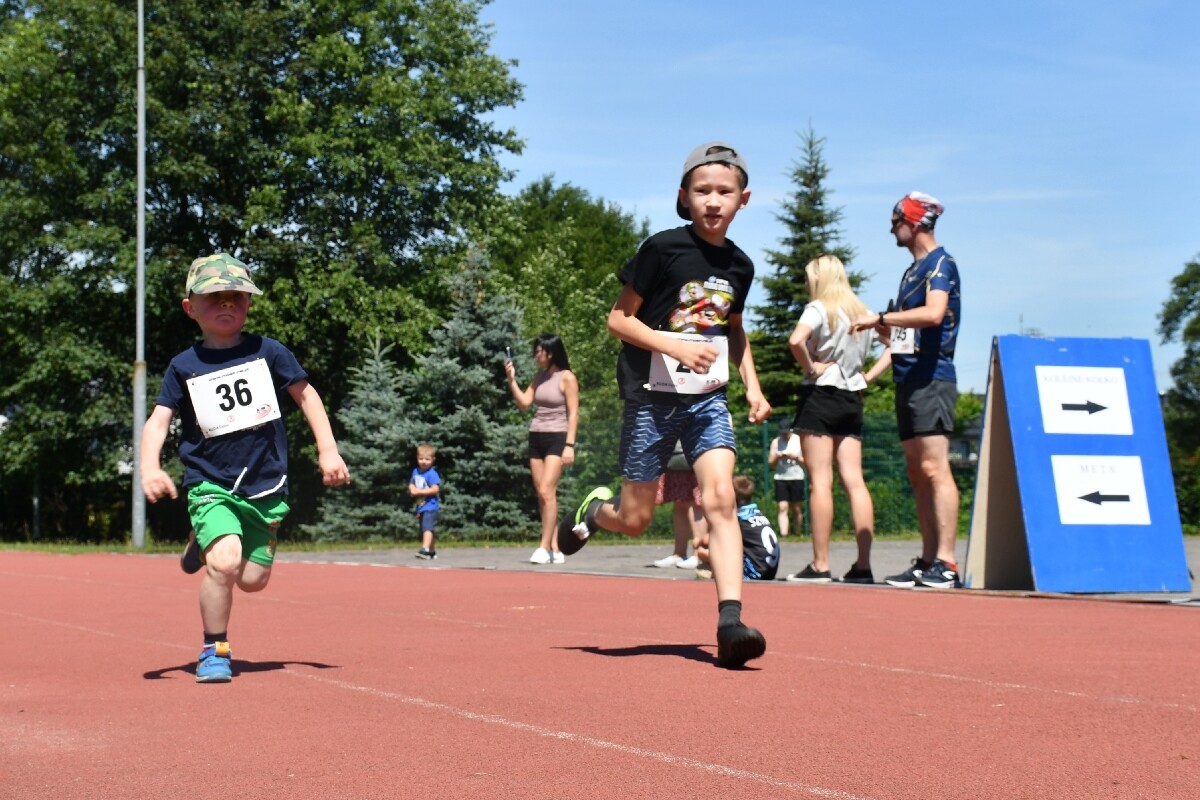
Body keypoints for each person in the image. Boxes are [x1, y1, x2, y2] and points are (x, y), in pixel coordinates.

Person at [556, 141, 772, 669]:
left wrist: (753, 386)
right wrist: (674, 345)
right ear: (684, 196)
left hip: (707, 400)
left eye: (725, 191)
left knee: (719, 498)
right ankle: (593, 513)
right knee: (636, 517)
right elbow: (618, 320)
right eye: (703, 191)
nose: (713, 201)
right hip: (650, 399)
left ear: (744, 199)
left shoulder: (741, 266)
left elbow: (733, 330)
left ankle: (729, 620)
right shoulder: (662, 250)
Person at [141, 253, 350, 684]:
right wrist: (149, 467)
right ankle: (214, 649)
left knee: (253, 580)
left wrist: (328, 451)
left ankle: (205, 542)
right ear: (190, 307)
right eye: (214, 296)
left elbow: (307, 396)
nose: (227, 304)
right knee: (226, 563)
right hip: (209, 482)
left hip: (264, 484)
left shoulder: (268, 351)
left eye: (236, 296)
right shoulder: (183, 366)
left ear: (249, 304)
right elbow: (159, 419)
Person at [851, 192, 962, 589]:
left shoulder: (940, 264)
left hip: (934, 378)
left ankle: (947, 562)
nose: (890, 228)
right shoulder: (911, 271)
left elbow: (933, 314)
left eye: (895, 220)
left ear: (914, 223)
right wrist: (870, 370)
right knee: (918, 472)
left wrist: (879, 316)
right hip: (908, 378)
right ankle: (928, 559)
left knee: (935, 467)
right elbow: (901, 338)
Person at [785, 254, 891, 584]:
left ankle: (820, 564)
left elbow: (795, 340)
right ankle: (863, 565)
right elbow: (894, 347)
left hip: (821, 396)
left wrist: (811, 367)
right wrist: (867, 377)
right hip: (852, 398)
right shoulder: (863, 312)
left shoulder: (819, 308)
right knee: (854, 481)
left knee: (821, 481)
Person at [505, 333, 579, 565]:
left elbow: (574, 412)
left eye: (541, 351)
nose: (537, 355)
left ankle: (543, 546)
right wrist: (511, 380)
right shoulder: (539, 377)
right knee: (543, 494)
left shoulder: (566, 377)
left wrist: (569, 445)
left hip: (558, 438)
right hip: (536, 436)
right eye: (535, 351)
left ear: (552, 352)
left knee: (547, 490)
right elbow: (525, 404)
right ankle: (555, 547)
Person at [696, 475, 779, 581]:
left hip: (753, 574)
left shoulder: (738, 518)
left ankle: (718, 575)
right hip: (769, 572)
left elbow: (707, 540)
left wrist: (698, 541)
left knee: (703, 552)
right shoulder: (757, 513)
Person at [651, 441, 706, 569]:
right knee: (679, 501)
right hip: (675, 452)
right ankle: (679, 553)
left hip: (697, 448)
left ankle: (699, 554)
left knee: (696, 503)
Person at [767, 422, 805, 537]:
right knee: (782, 507)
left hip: (797, 476)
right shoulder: (776, 442)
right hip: (781, 477)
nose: (784, 435)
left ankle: (798, 532)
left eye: (786, 433)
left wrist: (796, 457)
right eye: (782, 433)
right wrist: (778, 457)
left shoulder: (798, 440)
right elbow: (770, 463)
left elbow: (806, 462)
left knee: (797, 507)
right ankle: (784, 534)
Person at [410, 443, 441, 559]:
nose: (423, 461)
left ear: (433, 460)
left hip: (430, 506)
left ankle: (425, 549)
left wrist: (420, 492)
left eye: (427, 459)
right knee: (427, 528)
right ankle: (432, 551)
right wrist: (412, 489)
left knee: (427, 527)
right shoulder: (416, 471)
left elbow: (435, 489)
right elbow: (411, 484)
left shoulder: (432, 474)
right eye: (421, 458)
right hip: (421, 506)